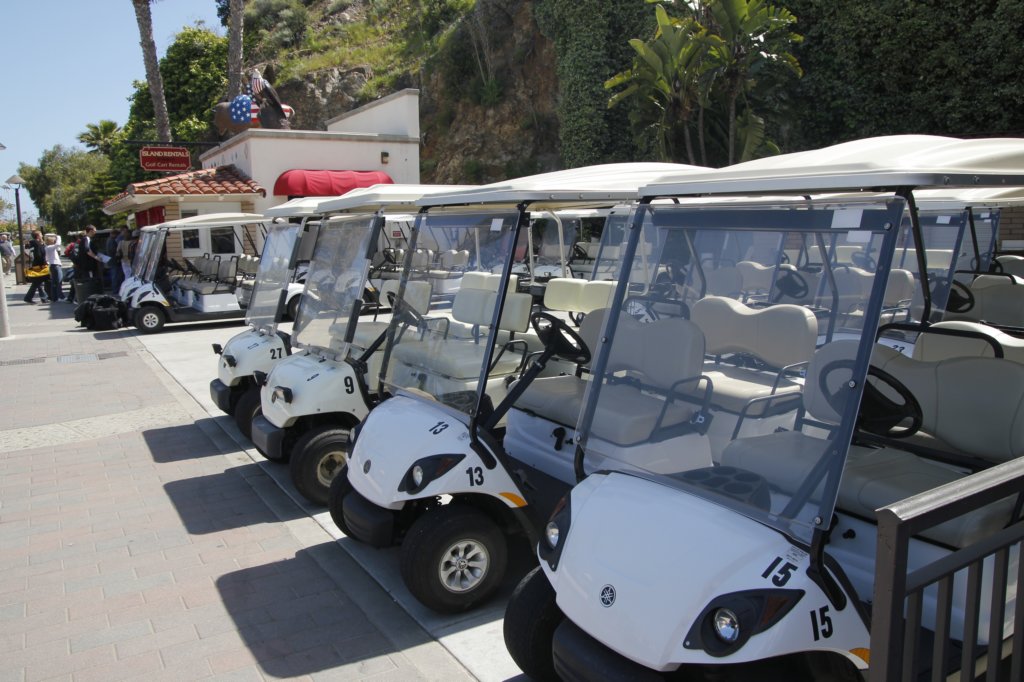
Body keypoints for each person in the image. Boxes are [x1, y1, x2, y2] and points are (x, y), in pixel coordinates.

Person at [23, 230, 49, 304]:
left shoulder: (35, 243)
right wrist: (44, 263)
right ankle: (42, 297)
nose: (42, 235)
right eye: (41, 234)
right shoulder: (36, 243)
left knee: (37, 282)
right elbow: (39, 255)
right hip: (39, 265)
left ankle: (42, 297)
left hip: (37, 264)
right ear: (38, 236)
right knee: (39, 281)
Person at [44, 233, 65, 302]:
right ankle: (61, 296)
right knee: (59, 281)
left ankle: (54, 297)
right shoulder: (50, 247)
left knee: (54, 282)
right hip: (56, 265)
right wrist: (58, 236)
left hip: (52, 265)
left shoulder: (47, 248)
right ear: (51, 241)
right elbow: (58, 244)